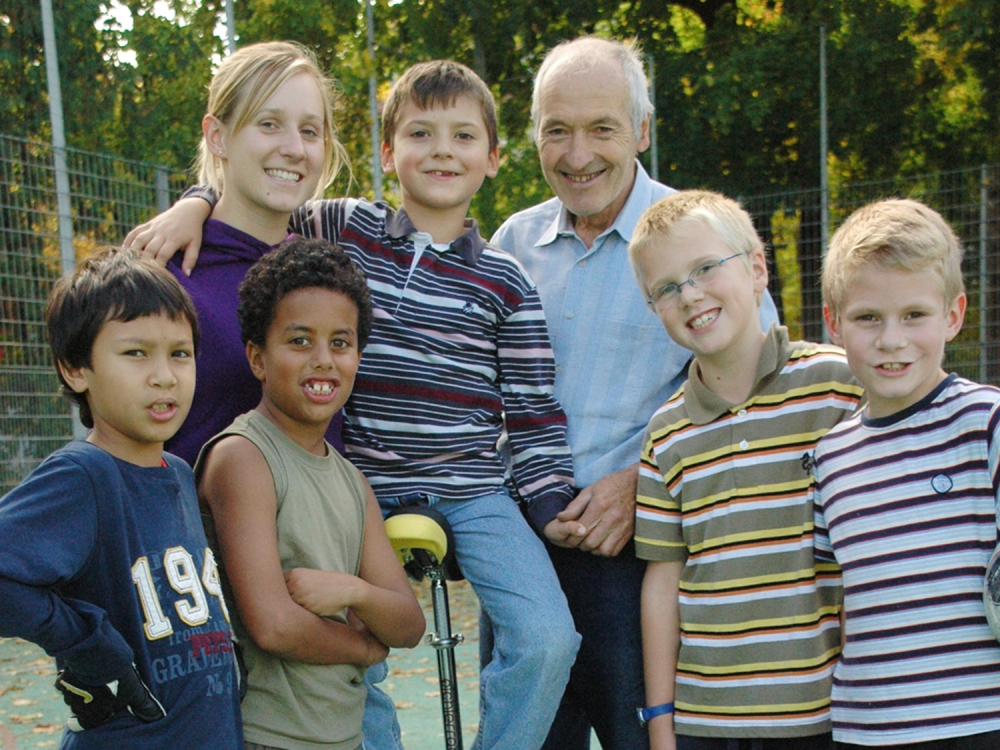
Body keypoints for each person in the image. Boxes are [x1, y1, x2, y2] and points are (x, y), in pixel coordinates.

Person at [125, 59, 581, 750]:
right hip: (359, 482)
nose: (441, 151)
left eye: (463, 137)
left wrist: (548, 500)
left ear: (492, 157)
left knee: (549, 637)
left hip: (471, 486)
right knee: (350, 654)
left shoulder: (502, 277)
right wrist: (195, 199)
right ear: (388, 152)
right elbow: (249, 197)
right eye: (421, 134)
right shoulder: (341, 229)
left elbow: (532, 402)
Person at [489, 37, 780, 749]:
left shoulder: (696, 236)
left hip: (644, 558)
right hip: (528, 554)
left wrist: (638, 483)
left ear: (642, 132)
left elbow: (756, 386)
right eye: (557, 129)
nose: (577, 152)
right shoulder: (511, 244)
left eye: (602, 129)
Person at [629, 190, 863, 749]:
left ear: (757, 269)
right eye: (665, 288)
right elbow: (663, 581)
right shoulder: (666, 433)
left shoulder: (839, 385)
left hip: (827, 713)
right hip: (708, 722)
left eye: (706, 268)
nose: (689, 295)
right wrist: (661, 723)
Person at [0, 247, 243, 748]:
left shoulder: (177, 472)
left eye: (180, 353)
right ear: (75, 369)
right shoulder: (83, 475)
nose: (164, 375)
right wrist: (82, 639)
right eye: (136, 353)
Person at [196, 238, 424, 750]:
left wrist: (354, 591)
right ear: (257, 357)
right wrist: (366, 650)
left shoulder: (351, 480)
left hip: (341, 737)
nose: (324, 361)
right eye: (300, 341)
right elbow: (273, 625)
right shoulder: (244, 458)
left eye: (340, 343)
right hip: (263, 735)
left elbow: (408, 623)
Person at [813, 198, 1000, 749]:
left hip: (980, 722)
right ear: (833, 322)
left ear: (953, 315)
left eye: (914, 315)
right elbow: (844, 598)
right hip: (866, 729)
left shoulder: (986, 422)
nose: (891, 339)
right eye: (868, 317)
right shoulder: (829, 455)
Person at [129, 40, 349, 467]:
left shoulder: (328, 270)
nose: (294, 148)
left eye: (309, 131)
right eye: (269, 124)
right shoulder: (164, 267)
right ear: (217, 136)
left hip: (322, 524)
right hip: (197, 526)